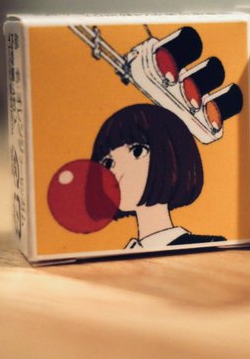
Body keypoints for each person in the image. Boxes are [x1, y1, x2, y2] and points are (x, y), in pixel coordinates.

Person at [91, 103, 225, 249]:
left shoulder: (208, 247)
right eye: (108, 163)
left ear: (172, 156)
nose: (118, 172)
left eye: (137, 151)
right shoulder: (123, 255)